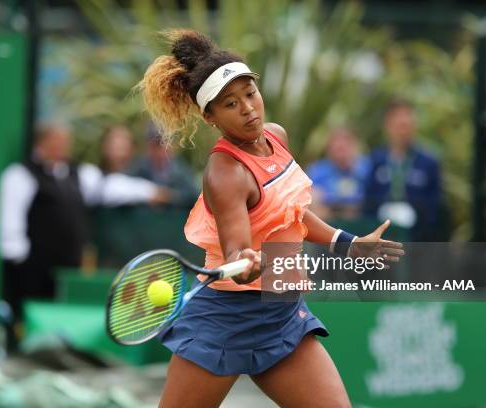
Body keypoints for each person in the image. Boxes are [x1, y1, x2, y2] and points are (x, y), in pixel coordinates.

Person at [137, 30, 404, 407]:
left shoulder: (276, 136)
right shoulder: (225, 172)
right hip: (225, 320)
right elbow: (237, 250)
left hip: (282, 313)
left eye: (250, 94)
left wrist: (346, 243)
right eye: (231, 104)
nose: (248, 108)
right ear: (210, 118)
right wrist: (244, 263)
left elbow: (289, 213)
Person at [0, 121, 169, 323]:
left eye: (66, 141)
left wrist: (149, 192)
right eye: (58, 141)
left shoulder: (77, 173)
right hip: (32, 272)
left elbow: (109, 187)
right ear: (42, 142)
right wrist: (18, 260)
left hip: (69, 270)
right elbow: (10, 224)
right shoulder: (20, 175)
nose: (64, 146)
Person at [363, 100, 443, 241]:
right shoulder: (376, 160)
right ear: (387, 126)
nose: (402, 131)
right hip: (381, 236)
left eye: (406, 125)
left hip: (417, 239)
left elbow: (435, 207)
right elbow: (368, 201)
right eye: (398, 125)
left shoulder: (428, 162)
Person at [128, 123, 199, 208]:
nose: (163, 149)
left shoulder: (180, 170)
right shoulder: (138, 167)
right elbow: (119, 187)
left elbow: (193, 196)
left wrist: (169, 196)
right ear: (148, 146)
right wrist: (146, 195)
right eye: (157, 144)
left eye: (167, 143)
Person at [306, 127, 370, 220]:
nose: (341, 150)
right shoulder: (317, 170)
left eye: (345, 146)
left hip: (361, 216)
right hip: (329, 218)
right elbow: (310, 197)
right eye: (337, 148)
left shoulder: (366, 167)